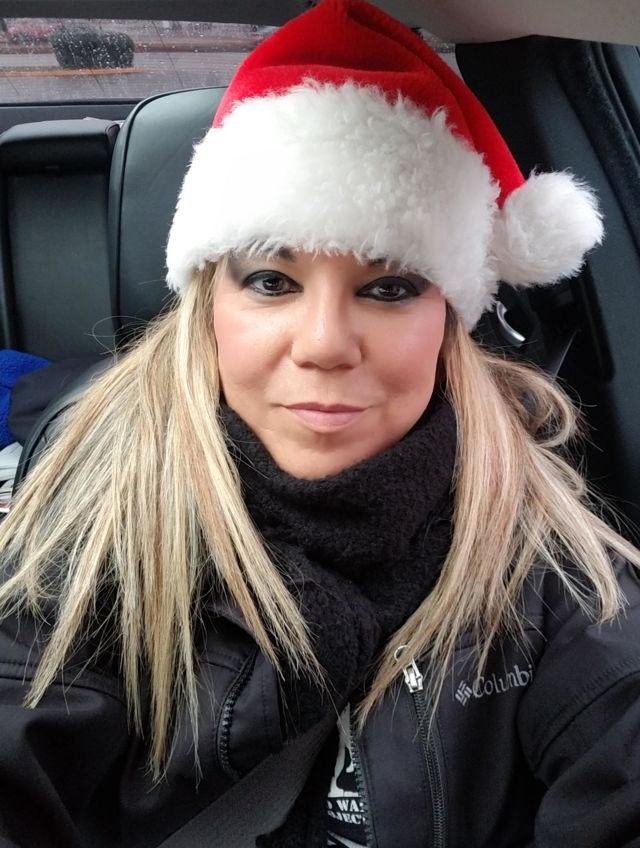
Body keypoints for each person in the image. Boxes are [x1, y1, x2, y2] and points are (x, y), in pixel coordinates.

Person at [1, 1, 639, 846]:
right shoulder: (89, 522)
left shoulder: (539, 554)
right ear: (209, 306)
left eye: (389, 287)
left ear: (451, 321)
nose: (325, 344)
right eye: (271, 281)